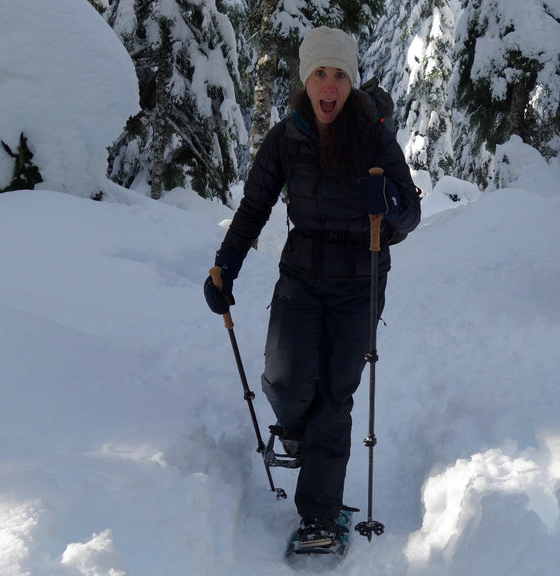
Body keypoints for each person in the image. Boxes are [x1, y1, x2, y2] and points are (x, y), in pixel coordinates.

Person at [203, 26, 421, 548]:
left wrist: (388, 203)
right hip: (301, 274)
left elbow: (410, 213)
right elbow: (254, 206)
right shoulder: (287, 136)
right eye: (320, 74)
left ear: (352, 83)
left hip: (359, 280)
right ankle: (299, 433)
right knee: (284, 379)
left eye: (339, 75)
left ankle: (320, 516)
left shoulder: (373, 135)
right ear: (306, 79)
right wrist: (225, 266)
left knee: (335, 396)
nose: (329, 86)